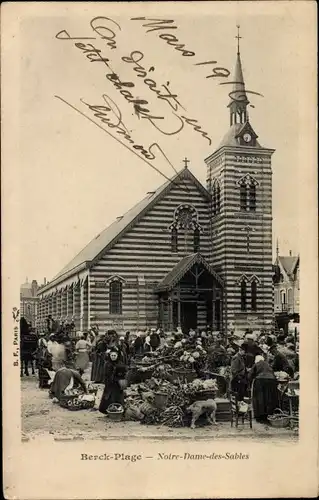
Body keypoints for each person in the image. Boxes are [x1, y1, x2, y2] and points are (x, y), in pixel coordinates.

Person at [248, 355, 279, 423]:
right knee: (269, 398)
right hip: (271, 381)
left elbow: (250, 375)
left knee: (259, 398)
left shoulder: (256, 364)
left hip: (260, 381)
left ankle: (260, 416)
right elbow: (272, 373)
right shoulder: (268, 364)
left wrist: (249, 382)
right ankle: (269, 415)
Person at [99, 347, 127, 414]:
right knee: (109, 398)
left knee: (118, 398)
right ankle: (109, 411)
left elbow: (124, 374)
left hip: (118, 384)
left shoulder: (120, 363)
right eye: (112, 355)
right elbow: (105, 374)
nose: (113, 357)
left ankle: (118, 411)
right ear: (110, 356)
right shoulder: (107, 364)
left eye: (114, 355)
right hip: (110, 384)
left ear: (117, 356)